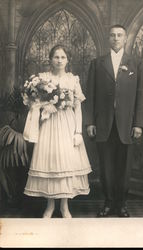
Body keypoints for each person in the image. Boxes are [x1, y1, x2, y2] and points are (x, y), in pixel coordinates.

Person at [22, 45, 92, 218]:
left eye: (63, 57)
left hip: (67, 125)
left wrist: (78, 132)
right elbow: (33, 103)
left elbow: (78, 108)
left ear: (67, 60)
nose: (59, 60)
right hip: (48, 124)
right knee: (50, 162)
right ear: (50, 59)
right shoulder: (42, 79)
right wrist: (45, 105)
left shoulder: (72, 79)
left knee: (65, 163)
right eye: (56, 57)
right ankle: (50, 205)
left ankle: (64, 206)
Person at [86, 24, 143, 217]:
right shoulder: (97, 63)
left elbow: (140, 95)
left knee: (124, 166)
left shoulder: (136, 64)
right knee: (106, 166)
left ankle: (122, 204)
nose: (116, 38)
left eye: (120, 35)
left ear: (125, 38)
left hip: (127, 124)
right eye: (112, 35)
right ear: (108, 39)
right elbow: (91, 95)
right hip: (103, 124)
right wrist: (90, 122)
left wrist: (138, 123)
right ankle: (108, 203)